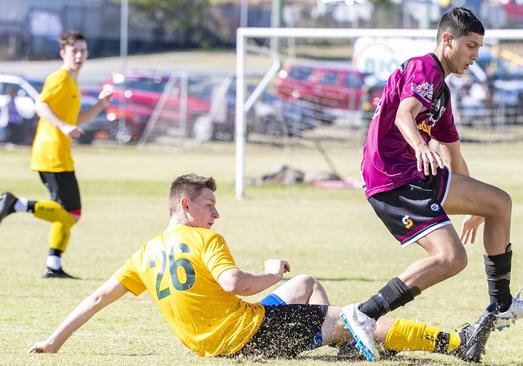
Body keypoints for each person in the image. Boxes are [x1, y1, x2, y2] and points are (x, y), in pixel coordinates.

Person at [30, 173, 497, 362]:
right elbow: (235, 284)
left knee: (307, 284)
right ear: (186, 206)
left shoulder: (146, 253)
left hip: (214, 343)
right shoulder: (205, 238)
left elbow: (96, 298)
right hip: (249, 334)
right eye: (210, 205)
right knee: (360, 317)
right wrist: (271, 273)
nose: (216, 214)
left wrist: (54, 340)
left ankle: (341, 343)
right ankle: (457, 343)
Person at [342, 7, 523, 360]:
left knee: (498, 203)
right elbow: (403, 113)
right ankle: (364, 314)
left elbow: (454, 155)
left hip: (416, 174)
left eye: (479, 48)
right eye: (470, 45)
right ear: (447, 40)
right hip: (392, 178)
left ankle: (500, 305)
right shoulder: (424, 68)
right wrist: (421, 145)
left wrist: (475, 206)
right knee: (451, 257)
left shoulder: (442, 93)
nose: (475, 56)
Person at [0, 31, 112, 278]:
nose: (80, 55)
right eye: (75, 51)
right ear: (63, 53)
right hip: (51, 153)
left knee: (67, 214)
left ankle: (53, 265)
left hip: (58, 154)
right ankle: (15, 204)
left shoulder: (72, 82)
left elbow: (75, 120)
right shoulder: (60, 78)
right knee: (72, 213)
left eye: (83, 51)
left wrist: (100, 106)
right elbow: (41, 106)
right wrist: (62, 127)